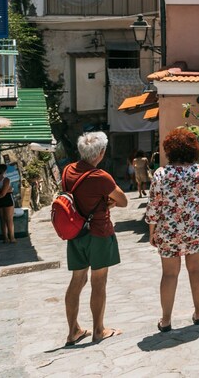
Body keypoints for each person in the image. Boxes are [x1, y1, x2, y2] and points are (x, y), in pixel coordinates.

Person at [145, 128, 199, 332]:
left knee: (169, 274)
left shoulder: (161, 174)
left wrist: (152, 232)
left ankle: (166, 319)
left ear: (169, 150)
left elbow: (154, 206)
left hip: (168, 230)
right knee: (196, 270)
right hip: (196, 228)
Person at [63, 131, 128, 346]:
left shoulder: (68, 170)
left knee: (77, 280)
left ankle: (73, 330)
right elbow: (123, 200)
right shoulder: (100, 176)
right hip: (98, 233)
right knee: (98, 282)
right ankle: (99, 330)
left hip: (76, 234)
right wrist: (107, 201)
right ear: (100, 153)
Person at [0, 164, 16, 243]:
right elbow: (3, 194)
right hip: (7, 199)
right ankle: (12, 238)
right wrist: (9, 190)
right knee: (9, 219)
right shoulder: (6, 180)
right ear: (4, 171)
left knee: (2, 220)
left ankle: (5, 238)